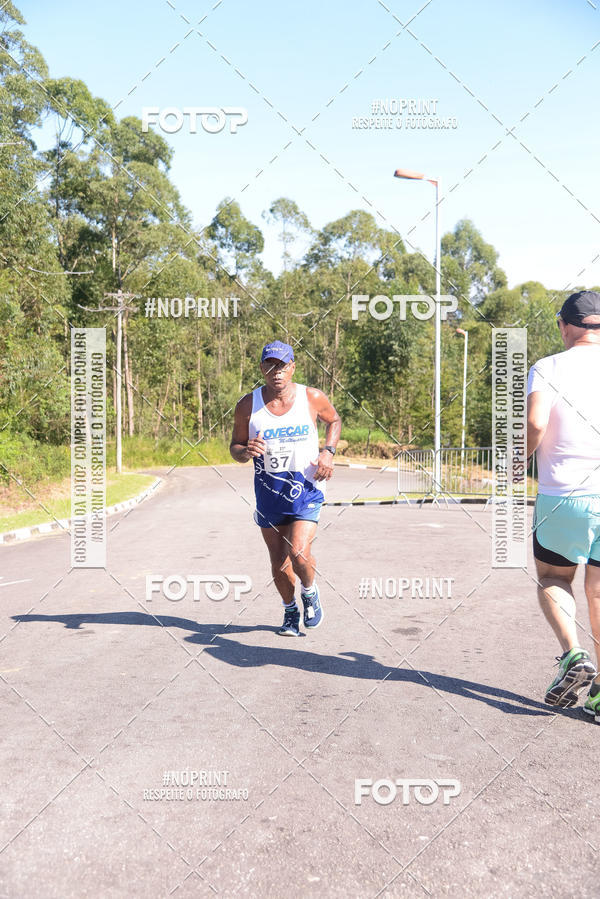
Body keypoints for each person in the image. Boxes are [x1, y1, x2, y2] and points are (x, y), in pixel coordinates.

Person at [230, 340, 341, 636]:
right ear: (262, 368)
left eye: (282, 366)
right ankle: (290, 610)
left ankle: (309, 591)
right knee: (279, 563)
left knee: (299, 552)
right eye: (270, 365)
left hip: (307, 487)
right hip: (269, 492)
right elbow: (235, 449)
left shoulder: (312, 397)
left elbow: (334, 420)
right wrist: (246, 450)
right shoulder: (247, 405)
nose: (276, 372)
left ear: (292, 367)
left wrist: (328, 452)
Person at [527, 289, 600, 720]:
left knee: (554, 577)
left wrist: (520, 461)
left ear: (564, 326)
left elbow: (536, 422)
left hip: (563, 494)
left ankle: (573, 656)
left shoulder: (549, 366)